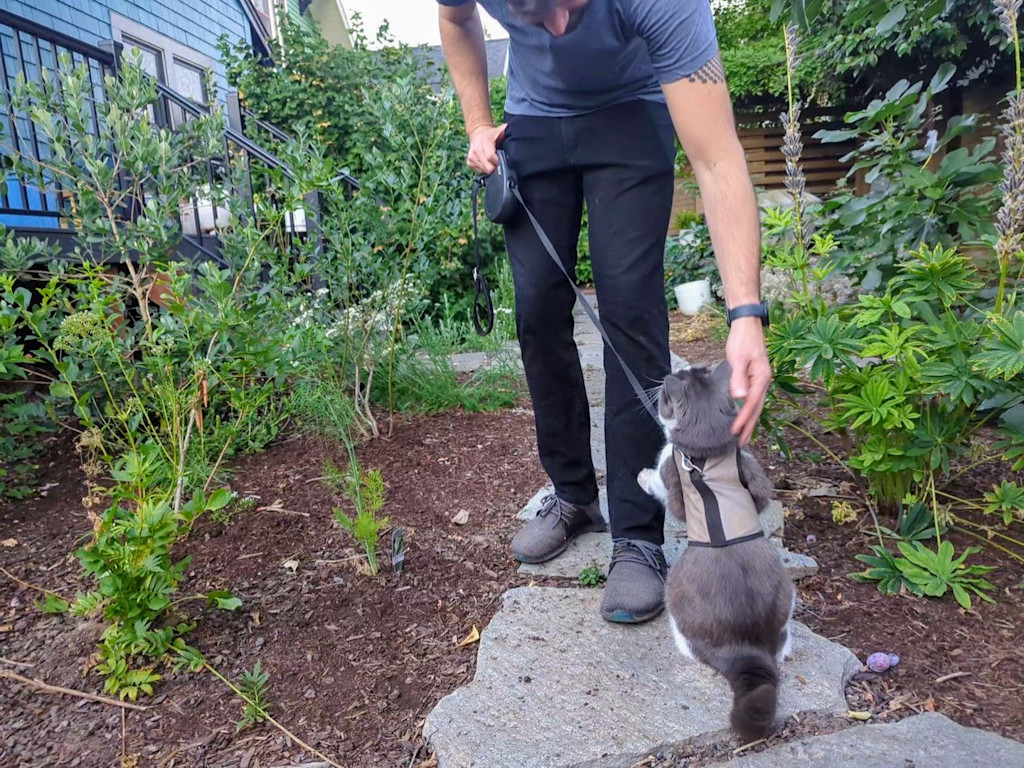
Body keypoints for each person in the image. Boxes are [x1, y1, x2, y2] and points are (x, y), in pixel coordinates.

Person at [437, 0, 772, 624]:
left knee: (629, 310)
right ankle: (572, 496)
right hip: (532, 124)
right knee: (536, 309)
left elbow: (719, 160)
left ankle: (638, 538)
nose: (560, 29)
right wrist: (477, 124)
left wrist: (746, 315)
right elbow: (455, 21)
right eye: (536, 12)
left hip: (633, 113)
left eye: (572, 3)